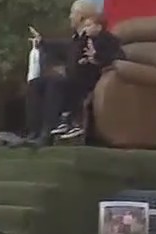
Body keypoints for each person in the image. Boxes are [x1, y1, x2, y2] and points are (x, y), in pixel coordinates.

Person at [51, 13, 124, 141]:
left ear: (99, 27)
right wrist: (85, 59)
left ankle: (75, 122)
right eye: (85, 26)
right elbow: (77, 54)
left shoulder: (109, 40)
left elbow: (119, 57)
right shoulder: (87, 39)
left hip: (100, 77)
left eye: (89, 26)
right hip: (85, 74)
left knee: (73, 83)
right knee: (63, 82)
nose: (86, 29)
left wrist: (96, 57)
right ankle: (66, 120)